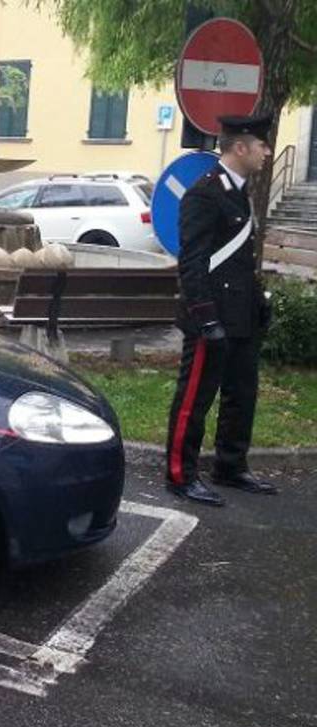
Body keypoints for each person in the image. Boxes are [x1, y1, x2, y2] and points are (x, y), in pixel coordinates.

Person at [165, 113, 278, 506]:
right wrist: (205, 316)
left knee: (241, 393)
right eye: (262, 145)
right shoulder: (204, 193)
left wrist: (258, 301)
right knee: (195, 397)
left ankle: (231, 465)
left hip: (240, 314)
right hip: (210, 315)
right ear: (241, 147)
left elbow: (239, 260)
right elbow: (193, 263)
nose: (267, 151)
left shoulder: (240, 192)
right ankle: (181, 475)